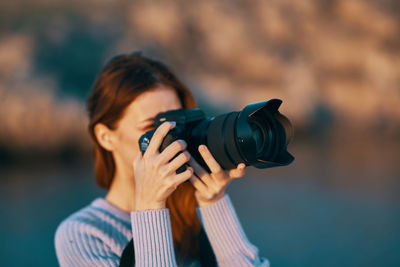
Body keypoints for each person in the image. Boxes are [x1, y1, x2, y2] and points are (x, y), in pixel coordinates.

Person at [54, 52, 270, 267]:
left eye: (178, 124)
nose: (172, 139)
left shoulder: (193, 218)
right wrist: (150, 209)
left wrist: (213, 203)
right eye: (152, 127)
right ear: (105, 137)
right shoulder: (83, 234)